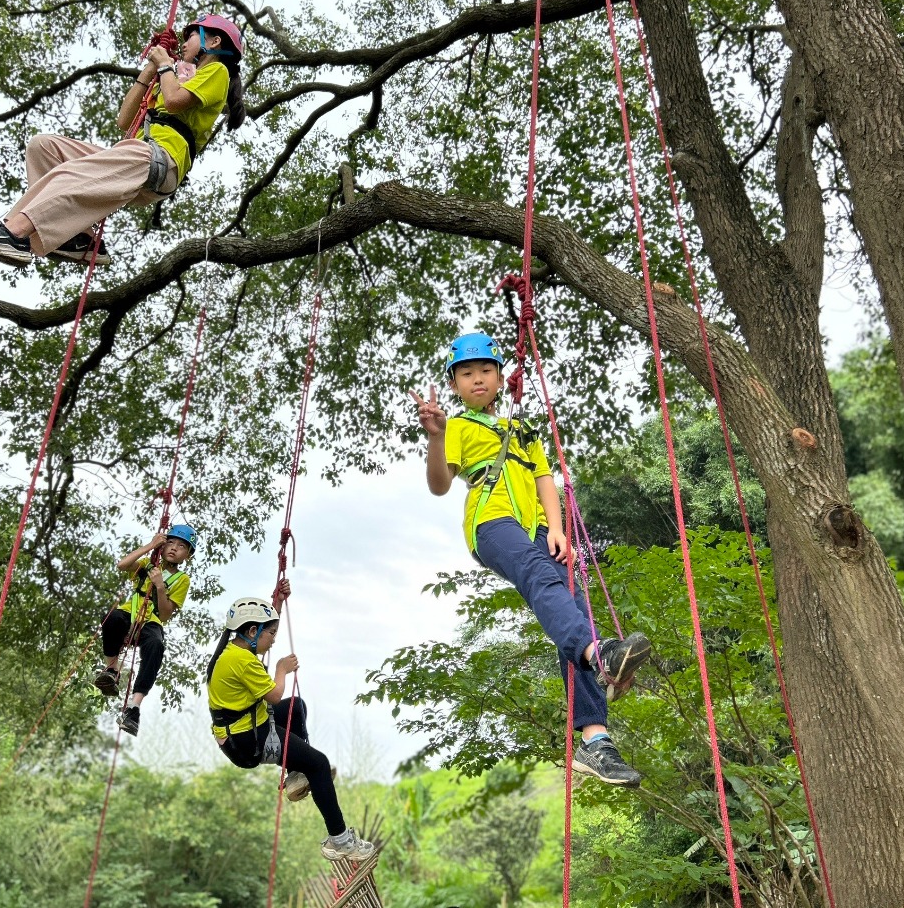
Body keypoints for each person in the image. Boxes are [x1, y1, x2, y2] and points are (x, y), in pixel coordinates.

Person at [411, 332, 651, 788]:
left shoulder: (523, 430)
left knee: (574, 614)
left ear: (501, 379)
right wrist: (436, 437)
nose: (476, 378)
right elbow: (439, 484)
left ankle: (596, 742)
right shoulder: (458, 427)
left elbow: (545, 478)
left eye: (485, 370)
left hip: (540, 527)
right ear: (456, 384)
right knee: (543, 580)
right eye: (466, 373)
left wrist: (559, 529)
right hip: (492, 522)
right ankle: (602, 655)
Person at [0, 13, 245, 267]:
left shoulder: (217, 72)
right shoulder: (178, 77)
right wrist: (150, 71)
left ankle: (15, 232)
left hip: (161, 161)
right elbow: (124, 121)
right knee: (43, 147)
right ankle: (78, 238)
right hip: (139, 156)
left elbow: (173, 102)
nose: (184, 44)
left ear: (214, 41)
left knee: (72, 174)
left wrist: (164, 65)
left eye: (191, 36)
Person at [206, 594, 375, 862]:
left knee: (295, 706)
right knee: (319, 764)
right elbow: (274, 695)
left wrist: (278, 602)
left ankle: (296, 772)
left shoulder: (234, 650)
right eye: (270, 633)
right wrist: (281, 669)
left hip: (238, 731)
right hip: (248, 740)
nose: (273, 638)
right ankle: (340, 841)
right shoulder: (243, 661)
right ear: (252, 631)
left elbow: (264, 630)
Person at [93, 524, 196, 737]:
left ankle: (134, 707)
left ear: (187, 555)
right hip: (129, 613)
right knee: (112, 618)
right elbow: (122, 565)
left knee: (156, 645)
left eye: (181, 546)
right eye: (171, 542)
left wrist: (159, 586)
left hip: (152, 621)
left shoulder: (182, 580)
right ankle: (111, 669)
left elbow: (166, 615)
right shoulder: (147, 565)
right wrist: (150, 545)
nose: (174, 548)